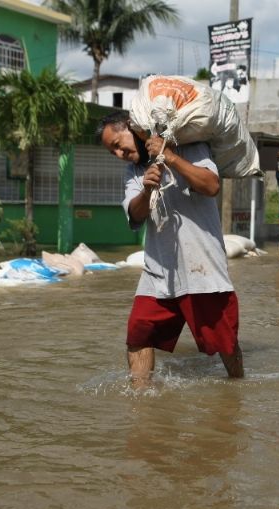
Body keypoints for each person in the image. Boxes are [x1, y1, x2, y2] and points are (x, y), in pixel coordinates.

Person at [96, 110, 243, 383]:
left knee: (225, 343)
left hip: (203, 270)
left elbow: (211, 185)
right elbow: (135, 214)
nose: (119, 154)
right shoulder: (135, 172)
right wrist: (147, 190)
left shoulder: (191, 147)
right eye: (112, 152)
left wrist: (171, 157)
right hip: (158, 271)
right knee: (139, 335)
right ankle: (140, 402)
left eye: (118, 144)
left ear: (134, 128)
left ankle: (237, 389)